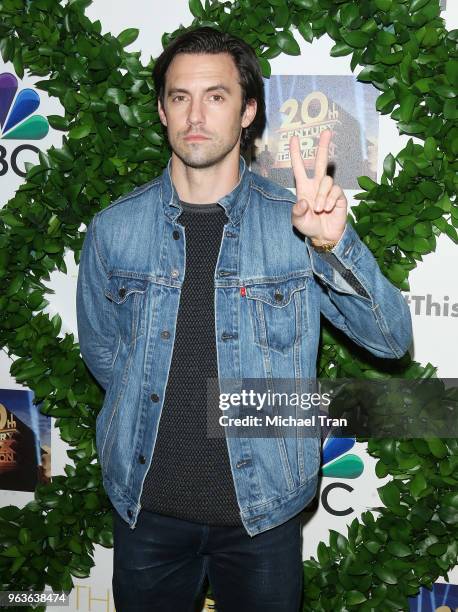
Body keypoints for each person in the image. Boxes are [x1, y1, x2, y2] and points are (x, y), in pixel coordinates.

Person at [76, 26, 413, 612]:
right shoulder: (114, 230)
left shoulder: (297, 223)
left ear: (249, 111)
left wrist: (333, 248)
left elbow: (391, 341)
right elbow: (107, 356)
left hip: (264, 516)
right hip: (146, 513)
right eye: (180, 97)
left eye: (217, 95)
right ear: (161, 110)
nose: (195, 115)